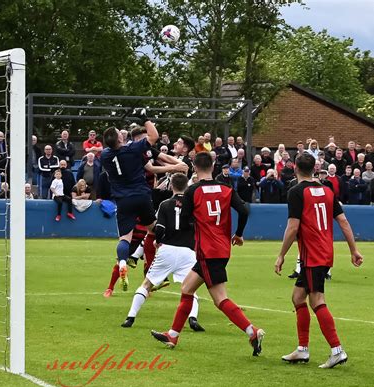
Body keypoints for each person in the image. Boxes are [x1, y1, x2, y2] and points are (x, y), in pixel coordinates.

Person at [151, 152, 265, 356]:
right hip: (220, 248)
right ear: (212, 167)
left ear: (194, 167)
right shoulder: (227, 188)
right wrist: (238, 234)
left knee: (220, 299)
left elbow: (186, 221)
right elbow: (245, 211)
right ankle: (173, 334)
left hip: (207, 250)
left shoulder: (192, 191)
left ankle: (252, 331)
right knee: (186, 288)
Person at [275, 153, 363, 369]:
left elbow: (293, 227)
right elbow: (343, 221)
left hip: (312, 255)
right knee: (297, 297)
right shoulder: (328, 190)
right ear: (315, 168)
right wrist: (354, 250)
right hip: (323, 253)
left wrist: (281, 254)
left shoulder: (296, 192)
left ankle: (337, 350)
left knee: (316, 300)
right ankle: (302, 350)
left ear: (295, 167)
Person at [121, 173, 204, 331]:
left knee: (147, 284)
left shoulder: (165, 204)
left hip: (167, 249)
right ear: (186, 186)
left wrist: (157, 241)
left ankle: (130, 317)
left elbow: (159, 228)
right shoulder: (193, 205)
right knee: (190, 288)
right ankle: (193, 318)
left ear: (171, 186)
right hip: (188, 252)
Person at [101, 108, 159, 291]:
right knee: (154, 232)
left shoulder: (105, 156)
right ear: (119, 139)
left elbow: (110, 147)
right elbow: (154, 136)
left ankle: (124, 262)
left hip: (123, 200)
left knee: (125, 238)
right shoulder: (132, 149)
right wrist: (145, 118)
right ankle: (157, 268)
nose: (122, 133)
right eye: (120, 133)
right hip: (141, 195)